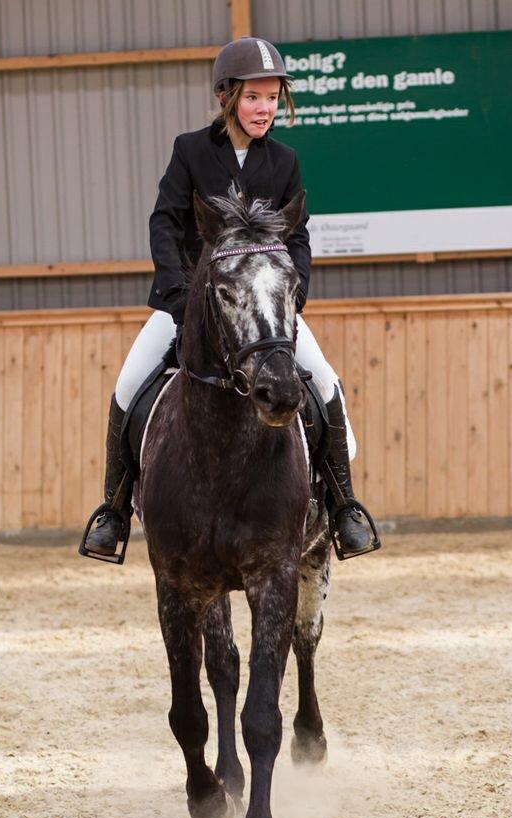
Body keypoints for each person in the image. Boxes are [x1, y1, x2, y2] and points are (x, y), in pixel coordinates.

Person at [82, 36, 377, 559]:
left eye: (271, 98)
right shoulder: (191, 150)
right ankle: (114, 510)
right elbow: (165, 222)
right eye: (254, 97)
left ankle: (345, 506)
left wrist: (294, 296)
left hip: (262, 312)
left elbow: (299, 236)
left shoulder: (284, 161)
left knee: (326, 384)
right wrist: (176, 294)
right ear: (227, 96)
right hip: (191, 306)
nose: (264, 109)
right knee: (127, 388)